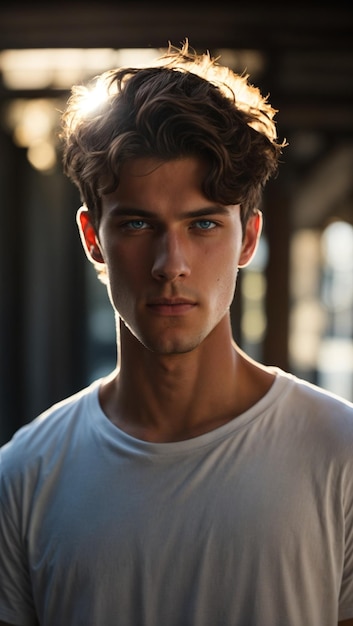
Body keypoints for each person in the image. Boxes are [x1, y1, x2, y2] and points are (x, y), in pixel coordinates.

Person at [0, 40, 352, 626]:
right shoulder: (23, 476)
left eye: (203, 224)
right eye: (138, 223)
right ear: (94, 239)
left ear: (246, 239)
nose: (171, 263)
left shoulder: (340, 456)